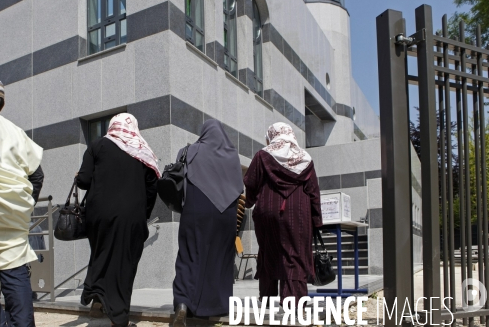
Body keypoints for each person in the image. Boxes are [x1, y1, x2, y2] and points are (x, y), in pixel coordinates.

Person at [0, 75, 44, 327]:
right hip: (13, 216)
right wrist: (25, 207)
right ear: (1, 106)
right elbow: (37, 175)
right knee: (14, 267)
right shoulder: (16, 131)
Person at [77, 113, 159, 327]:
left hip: (99, 216)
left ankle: (94, 292)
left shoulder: (97, 145)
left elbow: (84, 181)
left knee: (102, 254)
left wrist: (80, 176)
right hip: (131, 218)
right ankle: (119, 318)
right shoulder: (142, 150)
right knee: (124, 265)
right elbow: (152, 188)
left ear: (113, 125)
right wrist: (143, 214)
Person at [172, 119, 243, 327]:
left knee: (190, 254)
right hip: (226, 212)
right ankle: (214, 306)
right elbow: (239, 187)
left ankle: (183, 303)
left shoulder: (191, 150)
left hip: (196, 208)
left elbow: (180, 177)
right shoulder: (232, 156)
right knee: (219, 258)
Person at [243, 122, 322, 303]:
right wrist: (317, 221)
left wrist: (249, 201)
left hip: (267, 212)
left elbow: (251, 182)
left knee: (268, 253)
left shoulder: (263, 155)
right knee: (294, 256)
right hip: (298, 216)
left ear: (272, 135)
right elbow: (313, 192)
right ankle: (293, 305)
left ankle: (267, 301)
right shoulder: (306, 159)